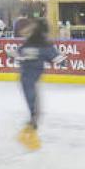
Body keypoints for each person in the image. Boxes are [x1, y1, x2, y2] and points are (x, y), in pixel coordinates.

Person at [15, 18, 59, 150]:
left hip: (26, 78)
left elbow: (18, 55)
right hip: (30, 79)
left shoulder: (30, 44)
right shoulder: (44, 45)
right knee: (35, 108)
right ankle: (29, 134)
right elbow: (58, 59)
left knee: (34, 107)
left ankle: (29, 132)